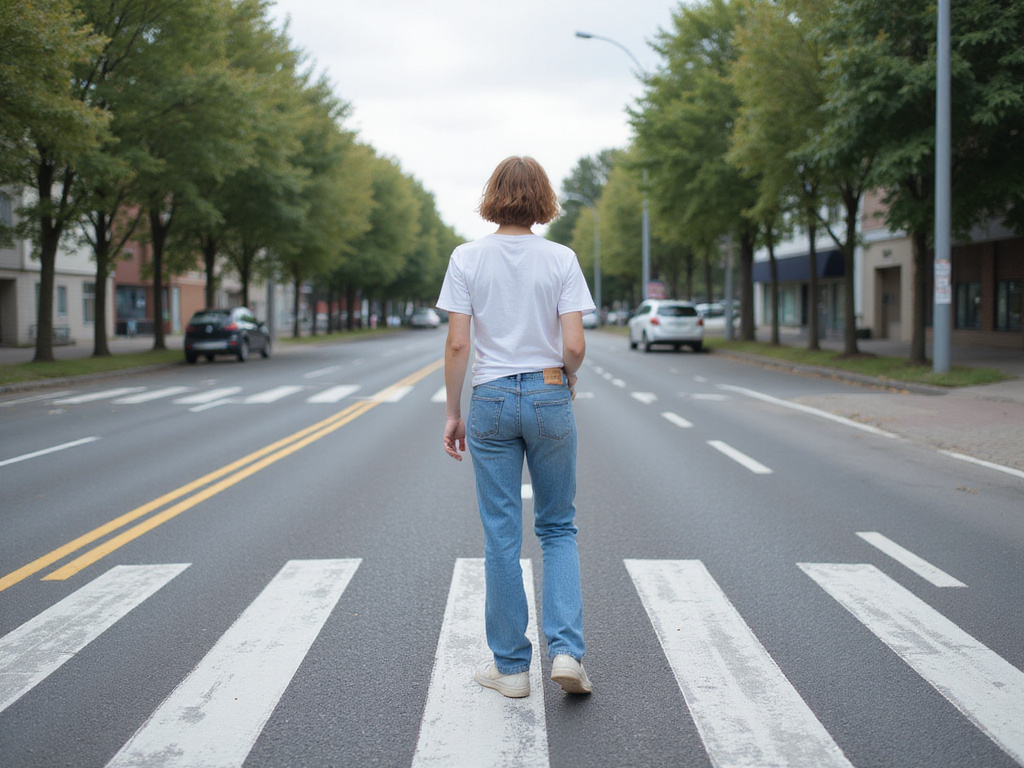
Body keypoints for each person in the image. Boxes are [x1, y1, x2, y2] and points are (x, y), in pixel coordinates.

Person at [437, 156, 595, 698]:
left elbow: (459, 343)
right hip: (550, 392)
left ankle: (510, 669)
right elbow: (573, 345)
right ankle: (568, 654)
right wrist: (566, 379)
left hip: (492, 398)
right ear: (543, 200)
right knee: (557, 527)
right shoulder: (562, 259)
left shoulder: (466, 258)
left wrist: (453, 412)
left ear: (493, 196)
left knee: (501, 533)